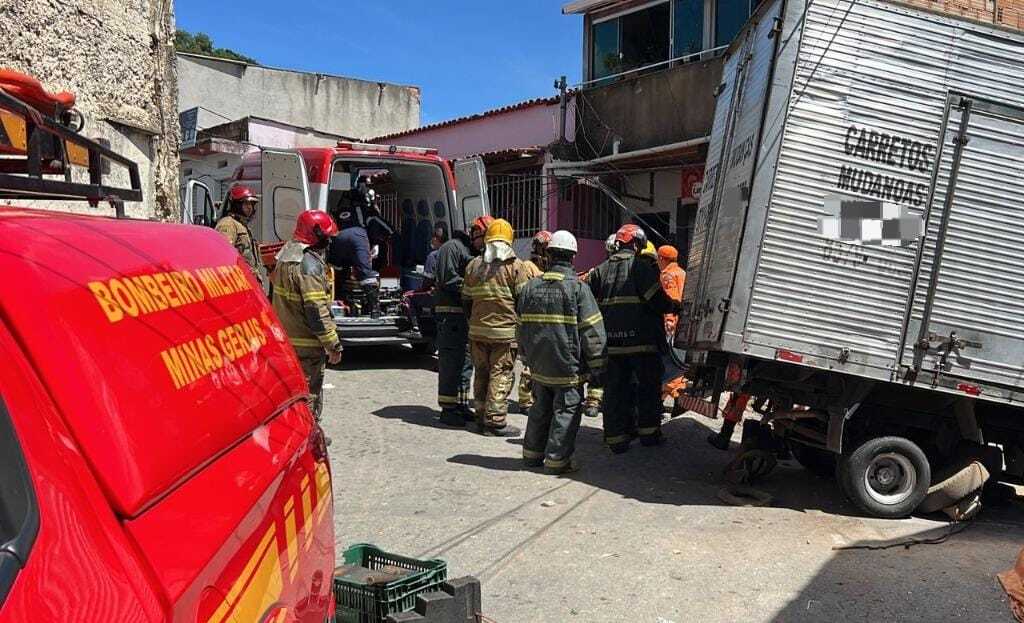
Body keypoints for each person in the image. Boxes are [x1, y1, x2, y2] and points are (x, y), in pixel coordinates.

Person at [518, 231, 606, 474]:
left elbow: (521, 327)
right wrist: (598, 367)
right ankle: (557, 461)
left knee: (539, 409)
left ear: (548, 254)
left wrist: (527, 357)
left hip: (539, 366)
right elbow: (593, 333)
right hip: (568, 368)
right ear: (573, 257)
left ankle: (531, 456)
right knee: (565, 412)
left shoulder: (530, 288)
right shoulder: (578, 289)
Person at [588, 224, 678, 453]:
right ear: (637, 244)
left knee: (615, 391)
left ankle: (616, 439)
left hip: (613, 346)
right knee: (648, 389)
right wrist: (675, 306)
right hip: (642, 344)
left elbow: (589, 303)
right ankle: (649, 435)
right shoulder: (640, 267)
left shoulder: (599, 270)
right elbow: (657, 301)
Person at [462, 218, 540, 436]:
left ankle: (480, 415)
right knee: (501, 373)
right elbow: (525, 301)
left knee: (481, 372)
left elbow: (466, 300)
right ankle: (495, 422)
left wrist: (474, 323)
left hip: (477, 331)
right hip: (504, 334)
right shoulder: (516, 267)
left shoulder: (473, 265)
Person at [271, 210, 343, 420]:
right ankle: (310, 441)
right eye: (327, 237)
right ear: (316, 234)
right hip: (307, 345)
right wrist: (333, 344)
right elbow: (315, 308)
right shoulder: (309, 264)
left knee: (291, 394)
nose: (329, 242)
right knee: (308, 395)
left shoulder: (285, 255)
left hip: (288, 340)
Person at [433, 215, 492, 426]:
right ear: (476, 234)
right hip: (450, 315)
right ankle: (448, 409)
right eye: (486, 240)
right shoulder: (452, 247)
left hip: (465, 316)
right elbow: (448, 278)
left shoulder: (472, 253)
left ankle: (460, 404)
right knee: (451, 361)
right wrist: (476, 288)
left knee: (465, 362)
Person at [580, 233, 618, 418]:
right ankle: (595, 402)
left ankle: (592, 403)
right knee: (602, 366)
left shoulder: (598, 271)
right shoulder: (628, 269)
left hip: (598, 327)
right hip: (615, 328)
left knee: (596, 364)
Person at [517, 230, 552, 412]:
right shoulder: (527, 266)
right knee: (530, 363)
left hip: (545, 320)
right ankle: (525, 400)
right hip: (532, 320)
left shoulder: (548, 268)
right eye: (545, 247)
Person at [657, 245, 689, 417]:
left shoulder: (668, 275)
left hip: (672, 324)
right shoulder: (682, 273)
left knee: (669, 364)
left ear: (662, 259)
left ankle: (678, 394)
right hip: (682, 323)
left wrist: (669, 320)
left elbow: (672, 299)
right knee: (675, 363)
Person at [215, 185, 266, 288]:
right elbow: (223, 258)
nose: (250, 208)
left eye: (251, 204)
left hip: (249, 283)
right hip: (239, 284)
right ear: (237, 205)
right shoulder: (228, 225)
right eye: (246, 203)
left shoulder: (241, 225)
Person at [421, 224, 448, 289]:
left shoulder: (432, 256)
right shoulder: (450, 253)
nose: (432, 239)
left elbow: (428, 281)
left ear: (436, 239)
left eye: (433, 236)